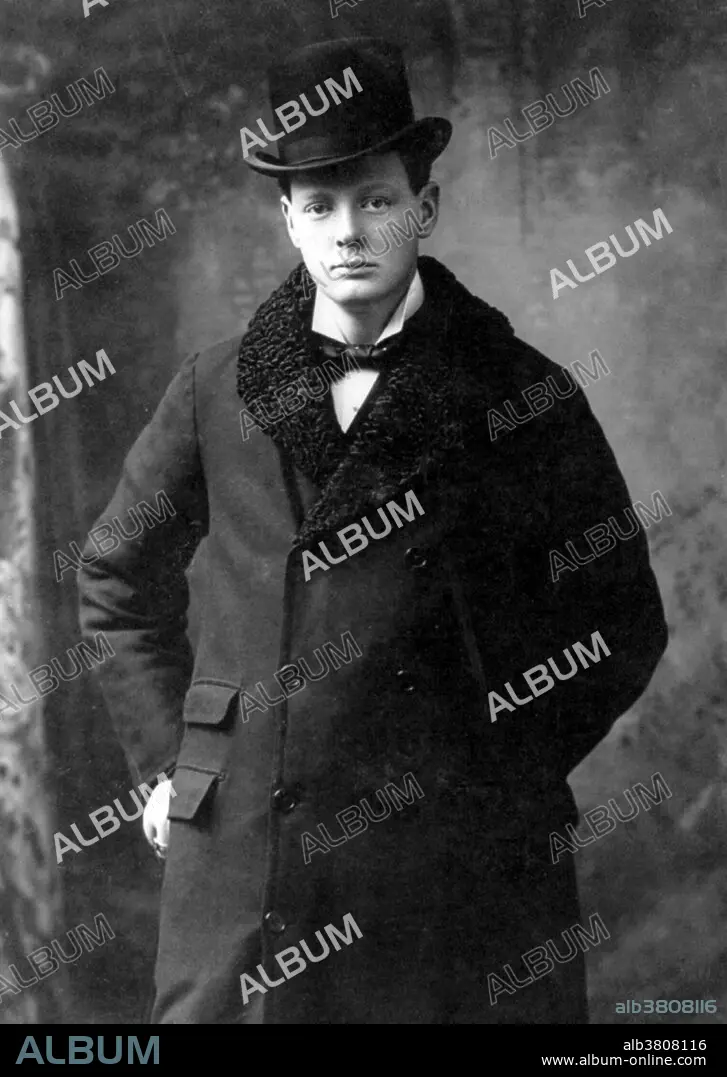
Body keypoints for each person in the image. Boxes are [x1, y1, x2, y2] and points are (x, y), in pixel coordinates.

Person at [78, 36, 668, 1024]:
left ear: (423, 209)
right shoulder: (215, 388)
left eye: (375, 200)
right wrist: (178, 766)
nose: (348, 231)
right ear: (288, 220)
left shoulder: (519, 393)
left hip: (458, 872)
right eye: (319, 206)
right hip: (251, 851)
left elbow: (621, 616)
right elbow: (114, 579)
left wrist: (497, 768)